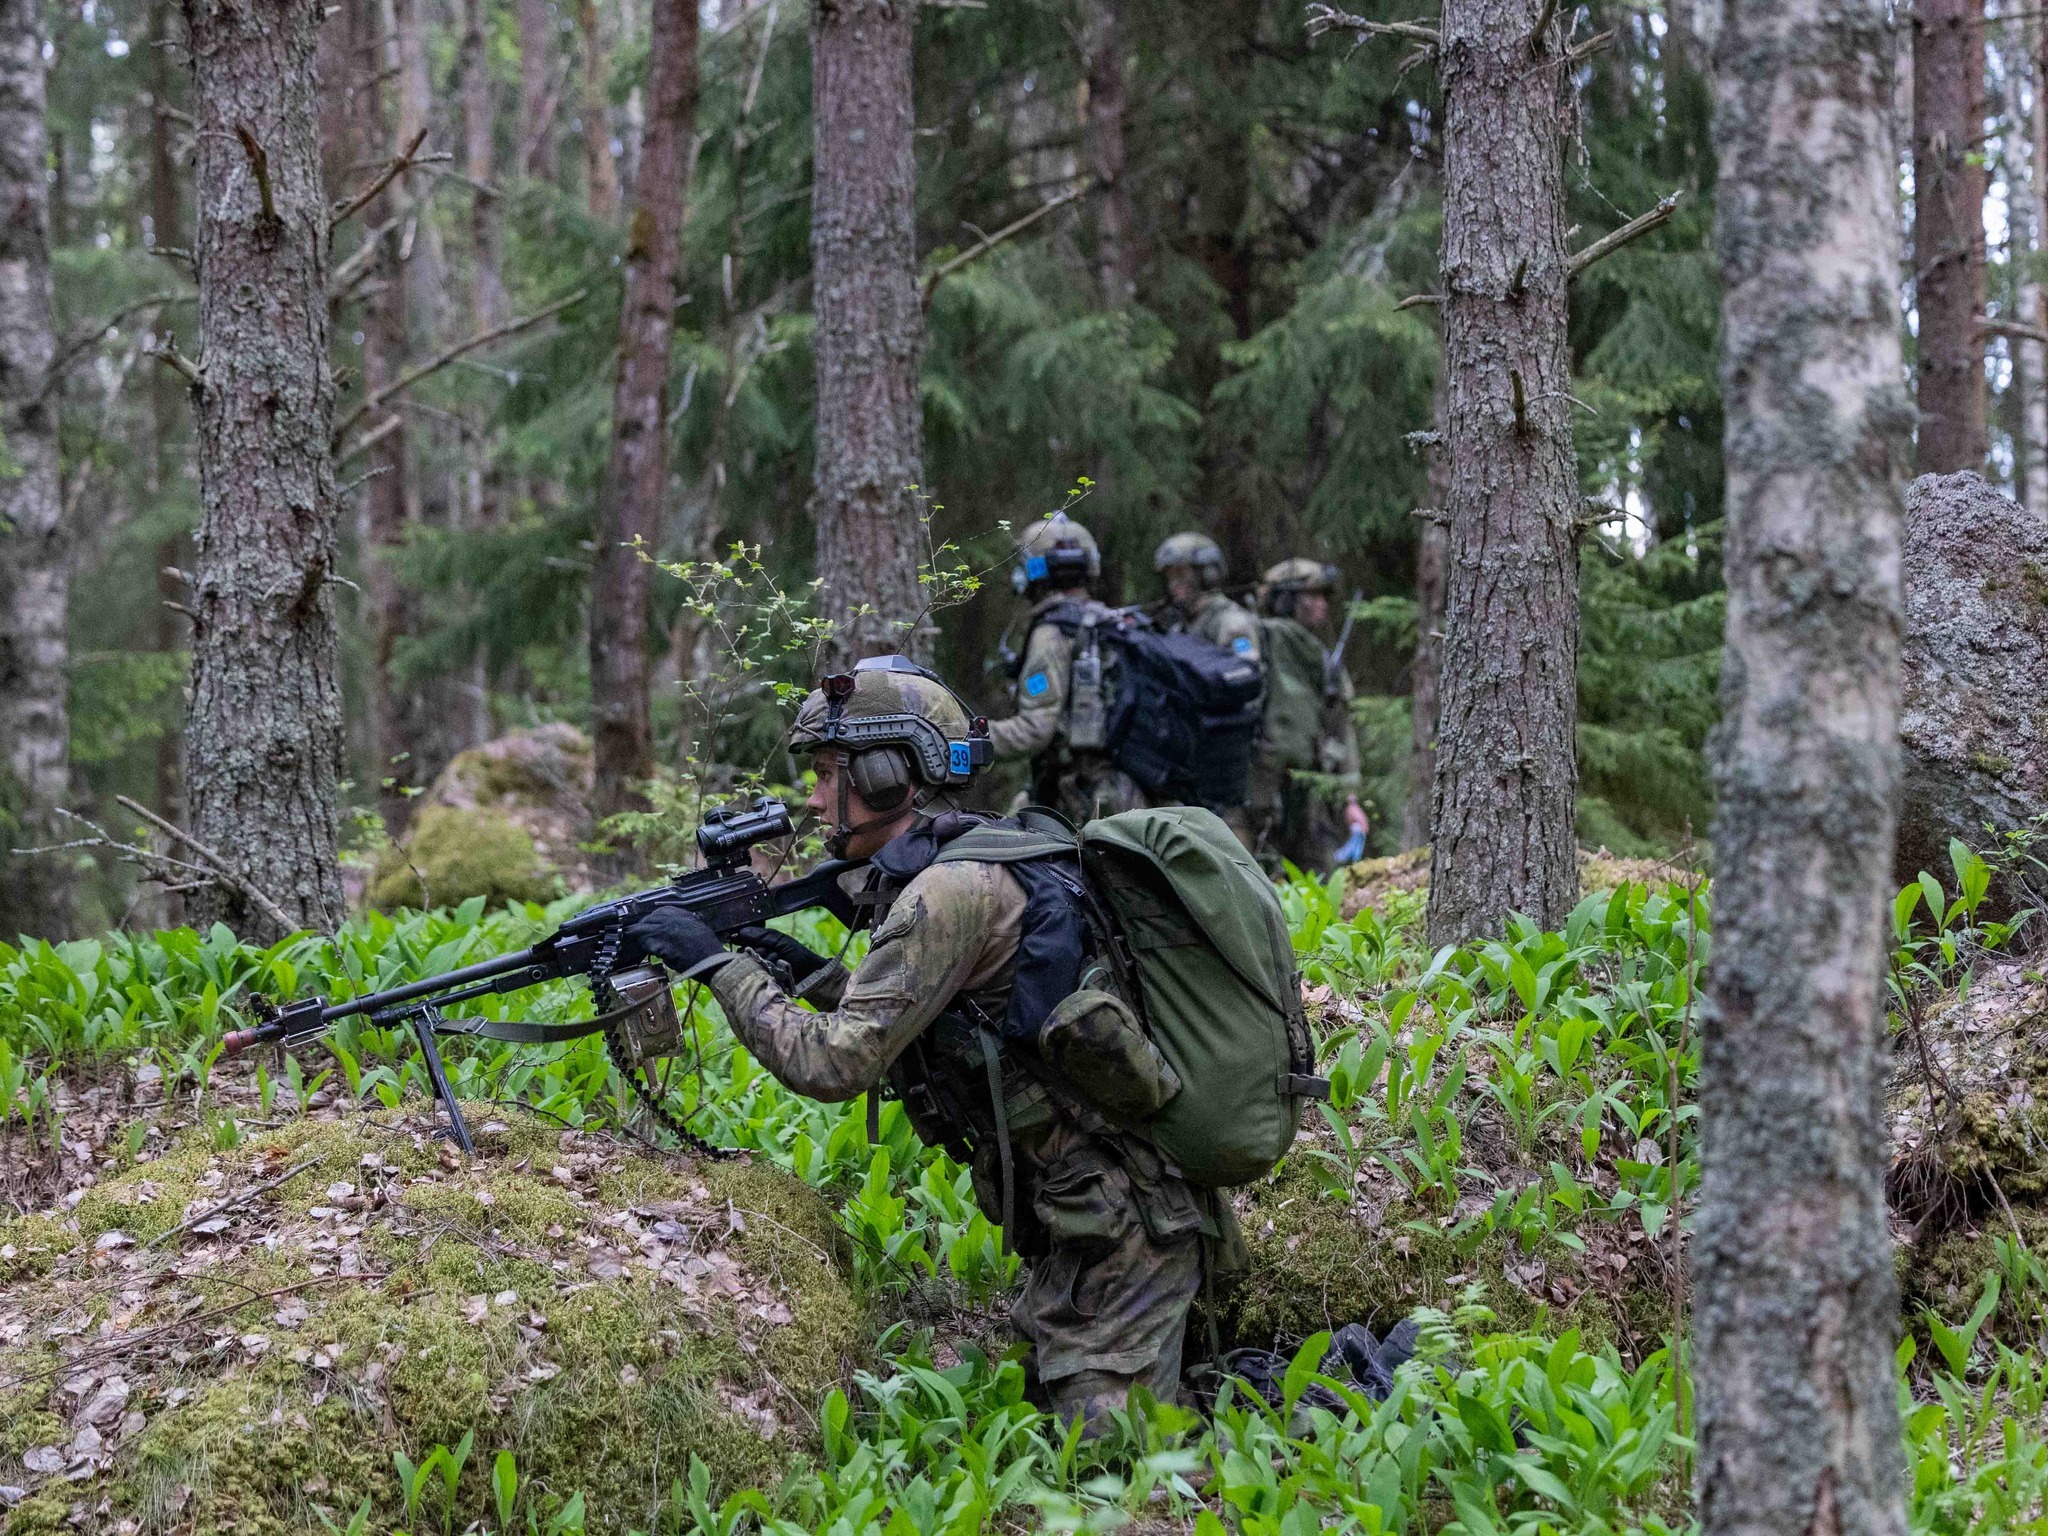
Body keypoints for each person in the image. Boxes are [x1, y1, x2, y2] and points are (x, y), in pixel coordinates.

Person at [620, 656, 1236, 1430]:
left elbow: (834, 1062)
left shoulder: (946, 892)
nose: (811, 798)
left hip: (1132, 1221)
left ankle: (1336, 1383)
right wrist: (799, 967)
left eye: (824, 772)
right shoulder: (962, 861)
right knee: (1033, 1411)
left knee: (1111, 1444)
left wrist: (718, 966)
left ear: (886, 775)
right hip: (1080, 1217)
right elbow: (927, 1021)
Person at [986, 514, 1149, 824]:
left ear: (1031, 572)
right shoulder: (1110, 622)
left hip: (1080, 799)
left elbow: (1036, 730)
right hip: (1128, 792)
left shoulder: (1053, 633)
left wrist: (968, 739)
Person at [1249, 559, 1366, 874]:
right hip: (1259, 786)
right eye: (1310, 596)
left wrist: (1350, 801)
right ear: (1285, 600)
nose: (1321, 605)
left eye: (1323, 596)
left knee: (1317, 880)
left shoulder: (1322, 659)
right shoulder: (1258, 639)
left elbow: (1340, 728)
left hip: (1310, 794)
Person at [1153, 532, 1261, 664]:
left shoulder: (1232, 624)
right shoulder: (1180, 630)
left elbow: (1246, 671)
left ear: (1208, 575)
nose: (1173, 585)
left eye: (1180, 575)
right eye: (1170, 577)